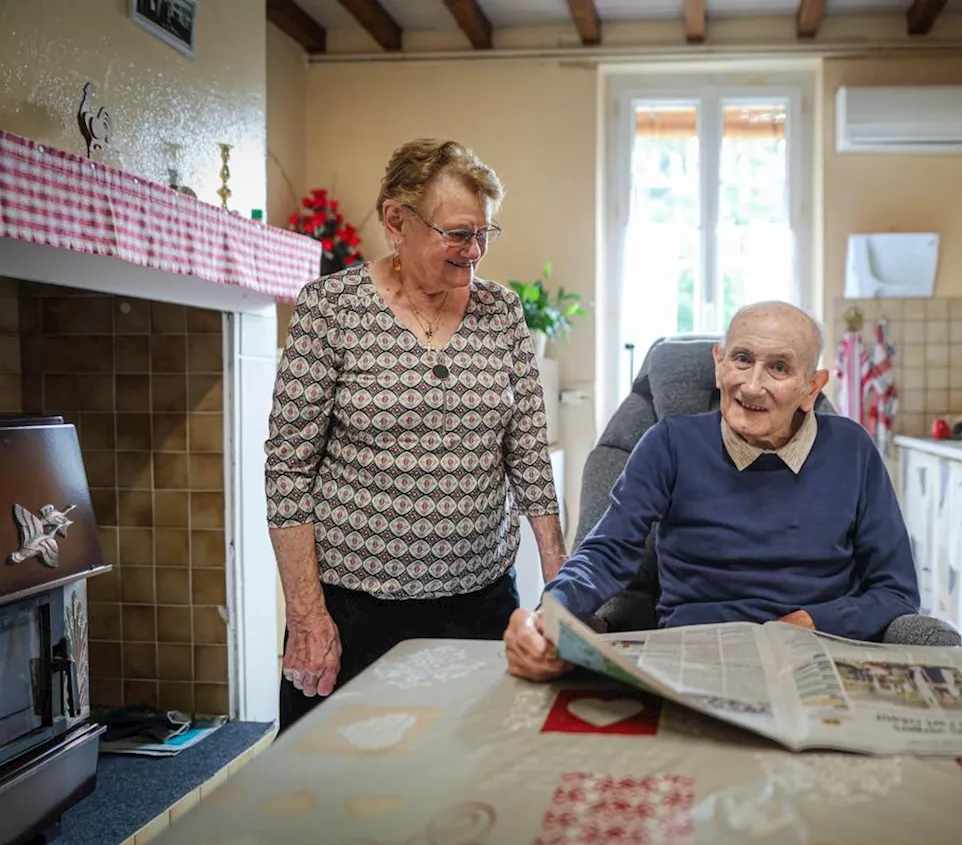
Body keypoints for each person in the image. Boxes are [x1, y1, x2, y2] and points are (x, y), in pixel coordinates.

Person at [266, 139, 565, 729]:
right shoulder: (330, 309)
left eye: (483, 233)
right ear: (396, 221)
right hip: (353, 612)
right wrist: (306, 617)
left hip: (479, 602)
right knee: (333, 796)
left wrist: (562, 586)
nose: (473, 251)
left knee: (472, 786)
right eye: (457, 233)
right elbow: (287, 470)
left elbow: (528, 453)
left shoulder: (501, 313)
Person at [504, 301, 918, 681]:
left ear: (812, 387)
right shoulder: (668, 443)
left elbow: (896, 590)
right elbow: (606, 551)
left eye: (779, 368)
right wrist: (550, 613)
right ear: (719, 364)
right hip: (691, 661)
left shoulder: (852, 449)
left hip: (813, 658)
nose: (753, 386)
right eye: (742, 359)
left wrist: (808, 623)